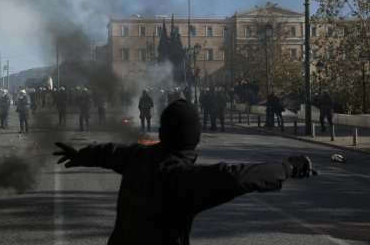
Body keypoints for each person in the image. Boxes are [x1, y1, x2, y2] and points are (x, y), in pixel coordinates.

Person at [54, 99, 316, 245]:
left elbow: (108, 152)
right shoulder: (182, 178)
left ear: (163, 133)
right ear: (194, 137)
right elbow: (236, 176)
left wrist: (80, 155)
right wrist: (288, 167)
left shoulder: (137, 156)